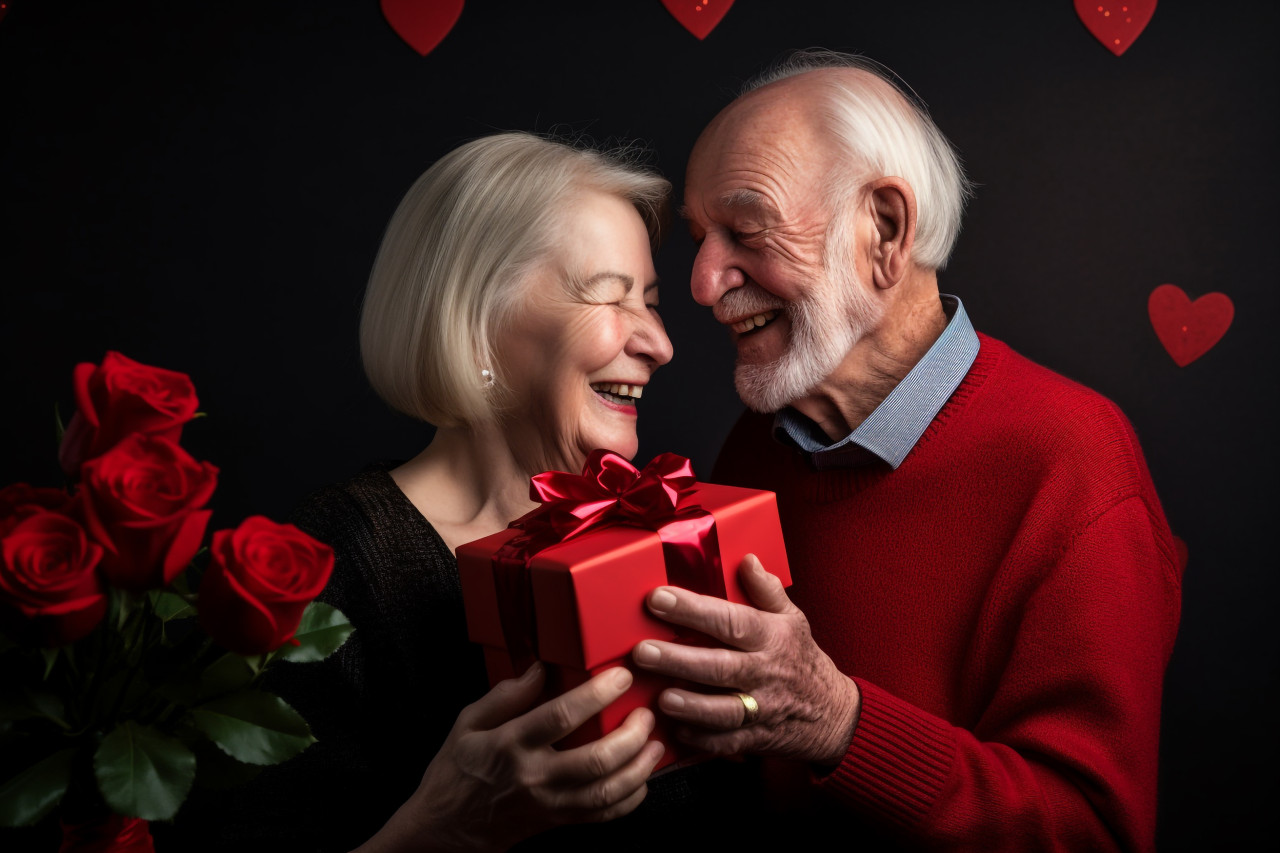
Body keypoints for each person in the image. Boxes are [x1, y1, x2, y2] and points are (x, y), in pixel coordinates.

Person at [630, 51, 1184, 851]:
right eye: (699, 238)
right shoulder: (754, 448)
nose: (703, 281)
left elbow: (1092, 831)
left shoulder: (1073, 459)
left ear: (885, 230)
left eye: (745, 231)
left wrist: (837, 721)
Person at [177, 132, 683, 852]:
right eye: (610, 296)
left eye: (652, 302)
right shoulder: (333, 562)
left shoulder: (659, 526)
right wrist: (446, 826)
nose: (659, 344)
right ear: (478, 324)